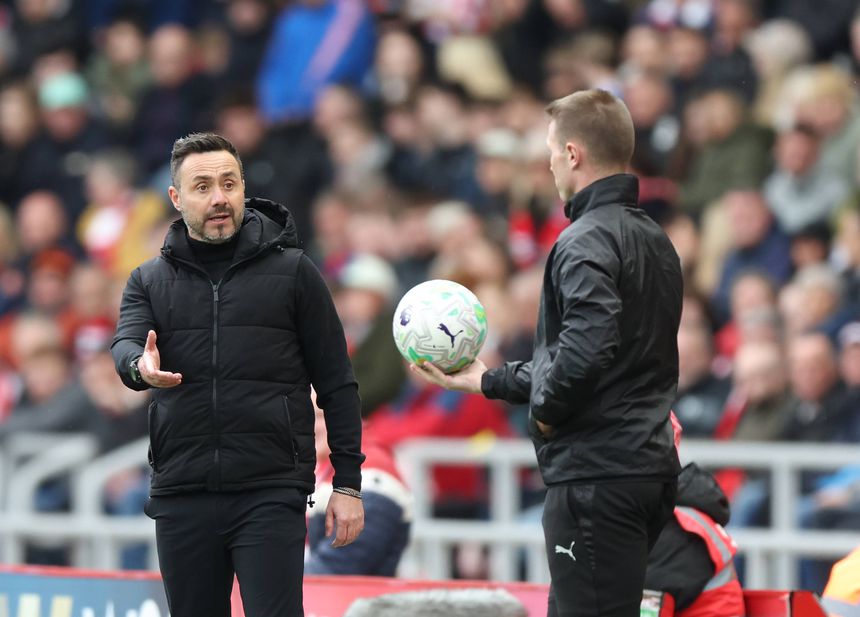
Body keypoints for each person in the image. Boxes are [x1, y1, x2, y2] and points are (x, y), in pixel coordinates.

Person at [412, 89, 683, 617]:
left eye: (552, 150)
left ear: (574, 154)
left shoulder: (583, 240)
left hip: (596, 474)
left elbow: (584, 354)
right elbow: (605, 358)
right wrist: (489, 380)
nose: (550, 161)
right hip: (644, 466)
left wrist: (547, 415)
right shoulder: (655, 238)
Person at [111, 133, 365, 617]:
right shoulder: (148, 280)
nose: (219, 198)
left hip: (270, 490)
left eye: (229, 184)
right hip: (183, 492)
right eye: (202, 186)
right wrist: (138, 367)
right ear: (176, 198)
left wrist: (348, 484)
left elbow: (338, 383)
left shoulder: (295, 273)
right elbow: (125, 344)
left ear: (244, 189)